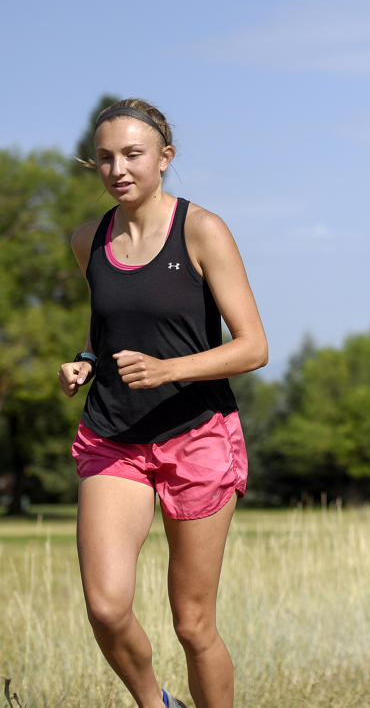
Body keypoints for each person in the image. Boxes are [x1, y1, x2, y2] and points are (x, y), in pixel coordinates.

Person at [58, 98, 267, 708]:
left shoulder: (201, 229)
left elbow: (253, 347)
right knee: (105, 604)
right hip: (114, 435)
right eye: (104, 157)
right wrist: (87, 362)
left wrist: (169, 370)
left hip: (197, 434)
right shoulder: (86, 241)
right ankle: (157, 704)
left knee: (193, 624)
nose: (117, 168)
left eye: (132, 154)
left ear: (164, 158)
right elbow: (109, 328)